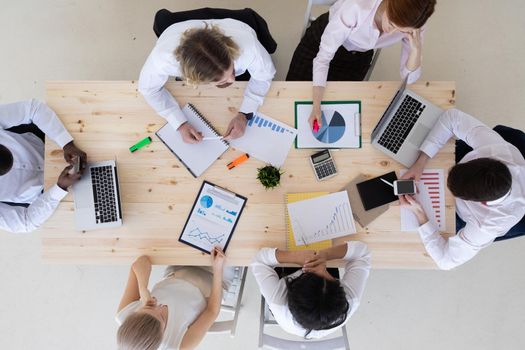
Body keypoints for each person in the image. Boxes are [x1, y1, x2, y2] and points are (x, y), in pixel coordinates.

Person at [400, 109, 525, 270]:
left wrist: (420, 216)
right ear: (483, 158)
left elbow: (445, 261)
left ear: (483, 203)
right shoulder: (496, 149)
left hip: (464, 216)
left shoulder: (486, 226)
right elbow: (452, 117)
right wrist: (421, 162)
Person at [286, 0, 436, 129]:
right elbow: (323, 59)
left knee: (340, 111)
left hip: (357, 57)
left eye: (402, 31)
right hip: (322, 43)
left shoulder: (415, 24)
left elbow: (409, 78)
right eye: (391, 24)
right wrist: (316, 106)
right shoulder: (356, 6)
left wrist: (416, 50)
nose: (392, 33)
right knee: (292, 101)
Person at [139, 19, 276, 144]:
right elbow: (149, 90)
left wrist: (245, 114)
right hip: (173, 30)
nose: (233, 80)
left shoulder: (249, 47)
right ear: (196, 80)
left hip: (235, 25)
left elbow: (264, 76)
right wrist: (179, 123)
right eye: (222, 80)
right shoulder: (162, 60)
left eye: (232, 70)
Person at [116, 247, 235, 350]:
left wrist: (142, 288)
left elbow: (142, 261)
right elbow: (212, 311)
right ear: (161, 335)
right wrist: (218, 268)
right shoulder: (178, 345)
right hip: (214, 277)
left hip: (179, 267)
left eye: (150, 306)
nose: (160, 306)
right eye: (162, 317)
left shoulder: (124, 315)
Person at [251, 242, 371, 338]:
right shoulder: (350, 301)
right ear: (341, 291)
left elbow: (259, 261)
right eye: (325, 274)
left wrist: (294, 257)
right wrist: (325, 255)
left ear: (291, 289)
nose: (318, 269)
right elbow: (363, 253)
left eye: (315, 272)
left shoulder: (278, 301)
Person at [0, 99, 86, 233]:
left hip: (50, 143)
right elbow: (26, 222)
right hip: (48, 195)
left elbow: (33, 109)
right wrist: (59, 189)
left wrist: (65, 143)